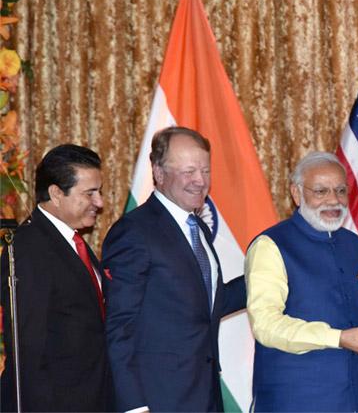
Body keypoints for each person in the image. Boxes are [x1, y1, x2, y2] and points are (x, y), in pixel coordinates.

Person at [103, 127, 246, 412]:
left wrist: (271, 272)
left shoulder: (199, 228)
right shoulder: (134, 232)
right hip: (157, 399)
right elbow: (119, 326)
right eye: (188, 171)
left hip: (204, 395)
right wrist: (133, 405)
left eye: (205, 171)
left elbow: (209, 305)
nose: (200, 181)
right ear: (158, 172)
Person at [245, 151, 358, 412]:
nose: (333, 200)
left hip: (356, 401)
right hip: (295, 401)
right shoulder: (271, 245)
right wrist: (337, 338)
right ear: (297, 194)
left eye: (341, 190)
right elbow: (265, 325)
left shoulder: (357, 245)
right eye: (321, 191)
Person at [0, 144, 111, 411]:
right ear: (56, 193)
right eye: (89, 193)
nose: (100, 202)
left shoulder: (73, 242)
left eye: (99, 192)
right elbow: (28, 349)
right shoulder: (28, 247)